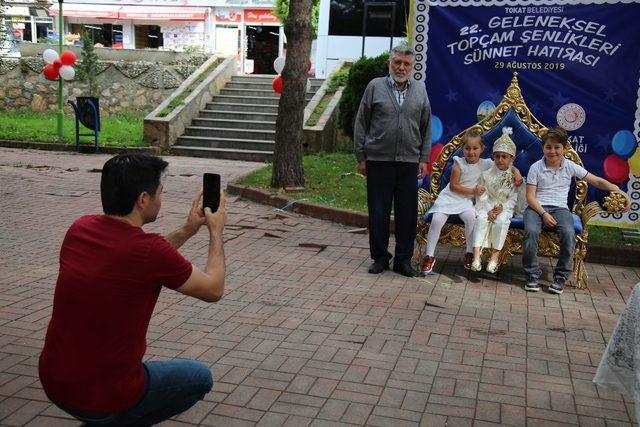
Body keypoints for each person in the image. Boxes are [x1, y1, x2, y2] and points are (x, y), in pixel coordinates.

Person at [39, 153, 227, 426]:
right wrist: (216, 231)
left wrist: (188, 229)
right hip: (105, 394)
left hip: (55, 380)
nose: (161, 199)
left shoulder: (79, 229)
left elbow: (136, 260)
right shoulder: (149, 251)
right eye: (160, 193)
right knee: (200, 377)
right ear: (142, 200)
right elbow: (214, 289)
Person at [354, 44, 432, 277]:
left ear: (412, 66)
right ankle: (380, 258)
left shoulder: (420, 89)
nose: (401, 67)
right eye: (397, 62)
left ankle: (403, 261)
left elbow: (426, 126)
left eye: (406, 64)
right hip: (378, 160)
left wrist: (424, 158)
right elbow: (361, 122)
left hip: (408, 162)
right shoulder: (375, 87)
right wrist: (361, 156)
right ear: (390, 63)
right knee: (378, 212)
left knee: (407, 214)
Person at [523, 127, 630, 294]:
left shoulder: (570, 166)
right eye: (548, 147)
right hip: (536, 207)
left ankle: (560, 277)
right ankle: (532, 274)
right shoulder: (536, 168)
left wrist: (618, 190)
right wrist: (544, 214)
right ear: (542, 148)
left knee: (568, 232)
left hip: (560, 208)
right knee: (530, 230)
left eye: (557, 147)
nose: (553, 151)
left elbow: (597, 181)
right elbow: (530, 197)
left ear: (565, 148)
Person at [422, 130, 522, 274]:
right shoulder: (459, 163)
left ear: (482, 149)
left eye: (475, 148)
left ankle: (470, 254)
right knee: (437, 219)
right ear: (462, 149)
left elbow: (507, 165)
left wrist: (517, 173)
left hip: (467, 201)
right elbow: (453, 186)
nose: (471, 152)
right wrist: (473, 191)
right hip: (450, 198)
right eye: (467, 148)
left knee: (471, 217)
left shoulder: (487, 163)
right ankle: (429, 256)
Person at [471, 127, 519, 273]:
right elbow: (481, 195)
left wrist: (502, 208)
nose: (500, 160)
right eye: (497, 156)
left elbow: (513, 197)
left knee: (500, 222)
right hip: (486, 206)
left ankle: (494, 257)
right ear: (493, 156)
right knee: (481, 220)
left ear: (512, 159)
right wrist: (488, 210)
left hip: (503, 208)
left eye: (504, 156)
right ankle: (476, 256)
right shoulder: (486, 174)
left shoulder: (514, 177)